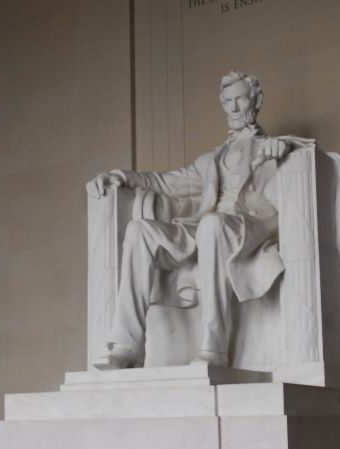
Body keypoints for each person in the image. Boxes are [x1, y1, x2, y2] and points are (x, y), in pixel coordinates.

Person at [87, 71, 298, 369]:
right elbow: (166, 182)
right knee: (139, 231)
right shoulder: (211, 159)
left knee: (212, 225)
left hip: (250, 227)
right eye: (227, 101)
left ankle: (214, 347)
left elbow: (306, 155)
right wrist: (121, 176)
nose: (233, 108)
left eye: (240, 99)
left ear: (256, 100)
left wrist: (284, 151)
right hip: (206, 227)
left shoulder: (275, 147)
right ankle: (127, 346)